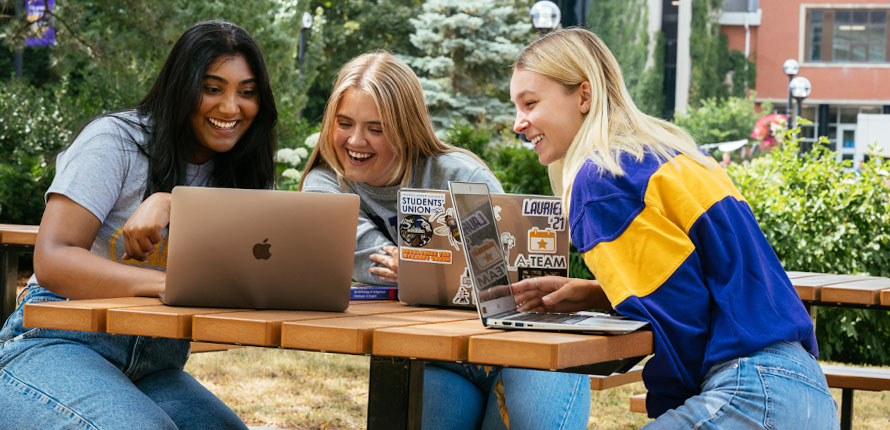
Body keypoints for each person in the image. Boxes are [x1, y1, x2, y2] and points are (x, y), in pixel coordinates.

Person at [508, 28, 839, 429]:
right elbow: (700, 283)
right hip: (804, 392)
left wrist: (667, 409)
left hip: (750, 394)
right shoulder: (672, 153)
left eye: (530, 103)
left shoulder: (600, 181)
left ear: (584, 95)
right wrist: (601, 296)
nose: (517, 123)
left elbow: (682, 324)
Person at [0, 20, 277, 429]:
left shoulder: (241, 169)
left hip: (154, 365)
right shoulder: (115, 142)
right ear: (181, 86)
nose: (231, 107)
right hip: (55, 344)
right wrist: (167, 285)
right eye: (212, 88)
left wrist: (172, 202)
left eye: (247, 92)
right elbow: (53, 260)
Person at [300, 52, 590, 430]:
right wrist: (444, 267)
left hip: (517, 349)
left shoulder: (461, 175)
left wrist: (419, 268)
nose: (356, 140)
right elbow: (368, 260)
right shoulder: (325, 184)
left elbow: (503, 273)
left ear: (405, 127)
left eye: (376, 128)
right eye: (345, 123)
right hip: (432, 358)